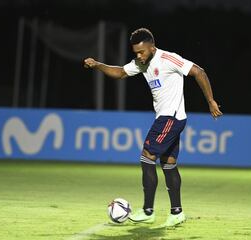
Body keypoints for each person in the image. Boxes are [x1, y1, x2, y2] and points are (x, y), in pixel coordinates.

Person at [84, 28, 222, 227]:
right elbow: (121, 72)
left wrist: (210, 101)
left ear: (152, 47)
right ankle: (177, 213)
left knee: (147, 155)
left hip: (170, 117)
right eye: (136, 53)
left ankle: (148, 211)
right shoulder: (141, 64)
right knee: (169, 163)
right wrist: (98, 65)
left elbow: (198, 71)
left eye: (142, 52)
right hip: (170, 117)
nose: (139, 56)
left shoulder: (168, 59)